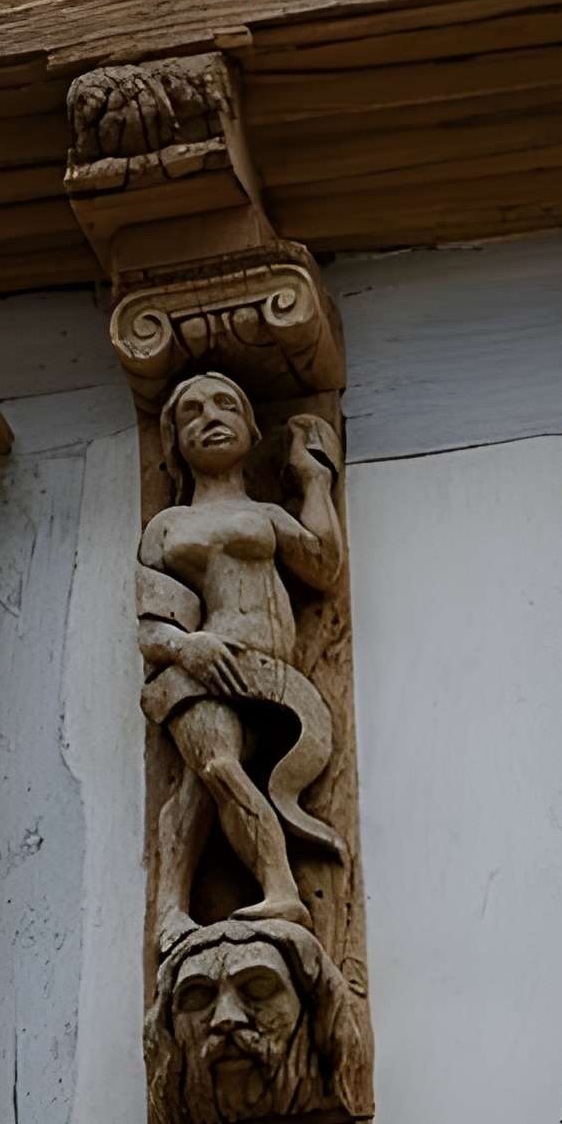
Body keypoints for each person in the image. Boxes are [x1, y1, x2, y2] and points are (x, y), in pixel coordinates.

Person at [138, 371, 346, 956]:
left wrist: (313, 482)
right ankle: (280, 888)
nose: (210, 416)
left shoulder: (269, 516)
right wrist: (188, 647)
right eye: (191, 412)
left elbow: (323, 566)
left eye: (227, 404)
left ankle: (170, 910)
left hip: (271, 675)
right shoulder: (166, 527)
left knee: (194, 793)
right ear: (174, 440)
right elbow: (150, 625)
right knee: (218, 767)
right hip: (200, 671)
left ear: (253, 431)